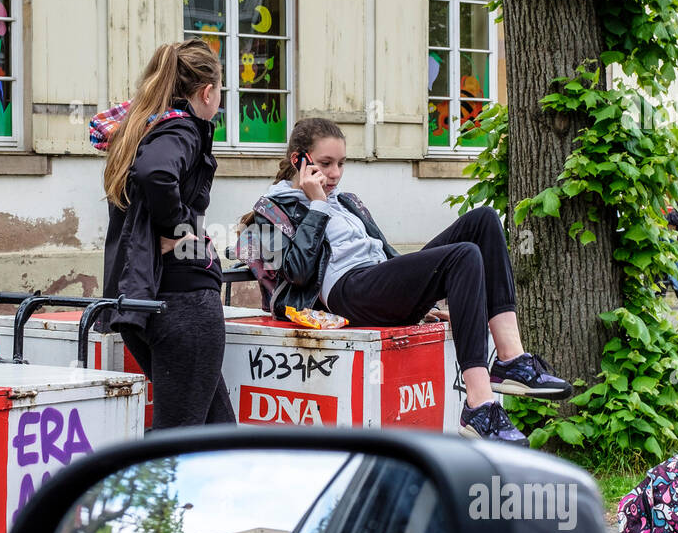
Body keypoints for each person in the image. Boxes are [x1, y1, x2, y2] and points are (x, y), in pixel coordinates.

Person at [239, 118, 571, 445]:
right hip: (348, 292)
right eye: (325, 164)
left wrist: (417, 294)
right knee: (464, 255)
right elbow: (296, 272)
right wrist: (317, 206)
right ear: (300, 160)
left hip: (376, 281)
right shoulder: (276, 207)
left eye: (341, 163)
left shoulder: (347, 200)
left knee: (483, 221)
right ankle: (480, 405)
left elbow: (386, 255)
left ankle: (510, 360)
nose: (335, 174)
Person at [93, 39, 235, 428]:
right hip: (183, 303)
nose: (219, 101)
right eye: (220, 91)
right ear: (207, 92)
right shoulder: (183, 128)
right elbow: (156, 173)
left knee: (218, 435)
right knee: (181, 440)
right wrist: (179, 227)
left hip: (145, 297)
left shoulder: (142, 126)